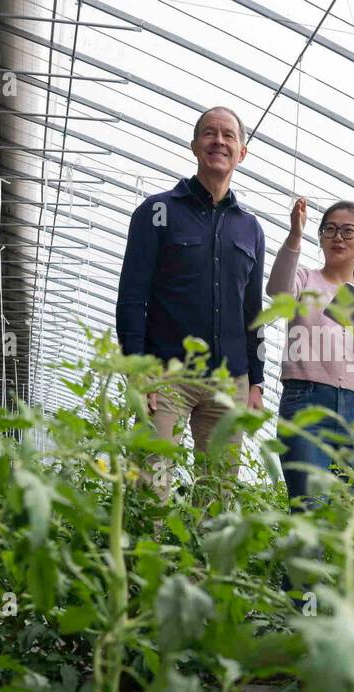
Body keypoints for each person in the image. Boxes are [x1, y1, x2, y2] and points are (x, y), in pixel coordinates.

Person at [115, 107, 265, 497]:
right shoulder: (158, 211)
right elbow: (133, 295)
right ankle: (144, 556)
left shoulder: (250, 228)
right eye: (210, 134)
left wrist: (256, 381)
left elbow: (253, 311)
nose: (220, 141)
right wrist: (137, 368)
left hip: (228, 382)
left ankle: (204, 562)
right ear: (195, 145)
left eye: (229, 135)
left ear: (242, 151)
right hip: (166, 373)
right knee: (152, 486)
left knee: (217, 495)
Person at [266, 198, 354, 511]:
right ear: (320, 237)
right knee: (309, 505)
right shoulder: (306, 279)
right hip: (306, 401)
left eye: (349, 231)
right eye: (331, 230)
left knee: (348, 511)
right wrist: (295, 234)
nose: (339, 237)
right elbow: (278, 290)